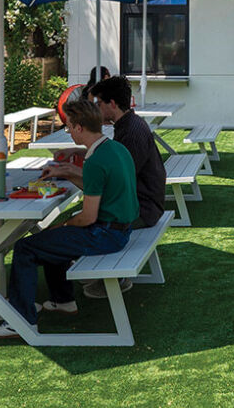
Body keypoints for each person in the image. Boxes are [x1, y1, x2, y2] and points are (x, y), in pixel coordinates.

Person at [0, 98, 135, 340]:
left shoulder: (95, 161)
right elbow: (96, 187)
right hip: (121, 228)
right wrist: (65, 171)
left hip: (106, 235)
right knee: (52, 239)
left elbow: (87, 217)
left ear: (79, 128)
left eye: (68, 127)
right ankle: (62, 300)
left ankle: (21, 320)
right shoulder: (115, 148)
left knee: (25, 247)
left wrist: (63, 224)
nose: (68, 132)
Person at [41, 75, 165, 298]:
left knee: (73, 226)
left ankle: (97, 280)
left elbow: (113, 181)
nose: (94, 109)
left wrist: (68, 171)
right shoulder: (128, 124)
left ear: (112, 104)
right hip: (143, 202)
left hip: (141, 209)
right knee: (81, 217)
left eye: (98, 103)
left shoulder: (131, 132)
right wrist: (77, 153)